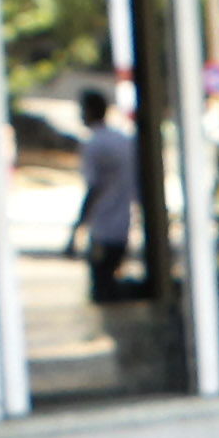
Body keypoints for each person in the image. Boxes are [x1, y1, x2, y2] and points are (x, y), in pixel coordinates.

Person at [71, 82, 139, 301]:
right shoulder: (122, 140)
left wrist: (78, 226)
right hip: (122, 225)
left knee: (101, 289)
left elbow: (94, 187)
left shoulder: (93, 144)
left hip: (102, 227)